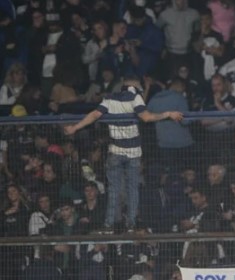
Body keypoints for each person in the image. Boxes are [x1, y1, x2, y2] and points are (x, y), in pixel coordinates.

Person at [63, 77, 184, 231]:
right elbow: (146, 117)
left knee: (114, 189)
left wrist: (75, 127)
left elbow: (94, 115)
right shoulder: (135, 97)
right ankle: (131, 223)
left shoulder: (109, 99)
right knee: (132, 188)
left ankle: (110, 223)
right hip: (132, 151)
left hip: (115, 150)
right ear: (135, 87)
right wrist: (167, 113)